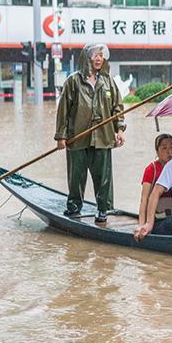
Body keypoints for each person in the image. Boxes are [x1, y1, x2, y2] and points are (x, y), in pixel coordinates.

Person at [55, 43, 125, 222]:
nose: (99, 58)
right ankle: (74, 208)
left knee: (103, 176)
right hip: (77, 137)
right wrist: (61, 137)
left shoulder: (108, 81)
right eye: (96, 55)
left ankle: (103, 210)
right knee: (76, 176)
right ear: (86, 58)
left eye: (102, 55)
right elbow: (63, 110)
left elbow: (117, 107)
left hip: (103, 136)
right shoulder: (73, 81)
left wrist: (120, 129)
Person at [138, 133, 172, 227]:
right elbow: (144, 199)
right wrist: (141, 226)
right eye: (164, 148)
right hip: (157, 218)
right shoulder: (151, 169)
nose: (169, 152)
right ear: (157, 151)